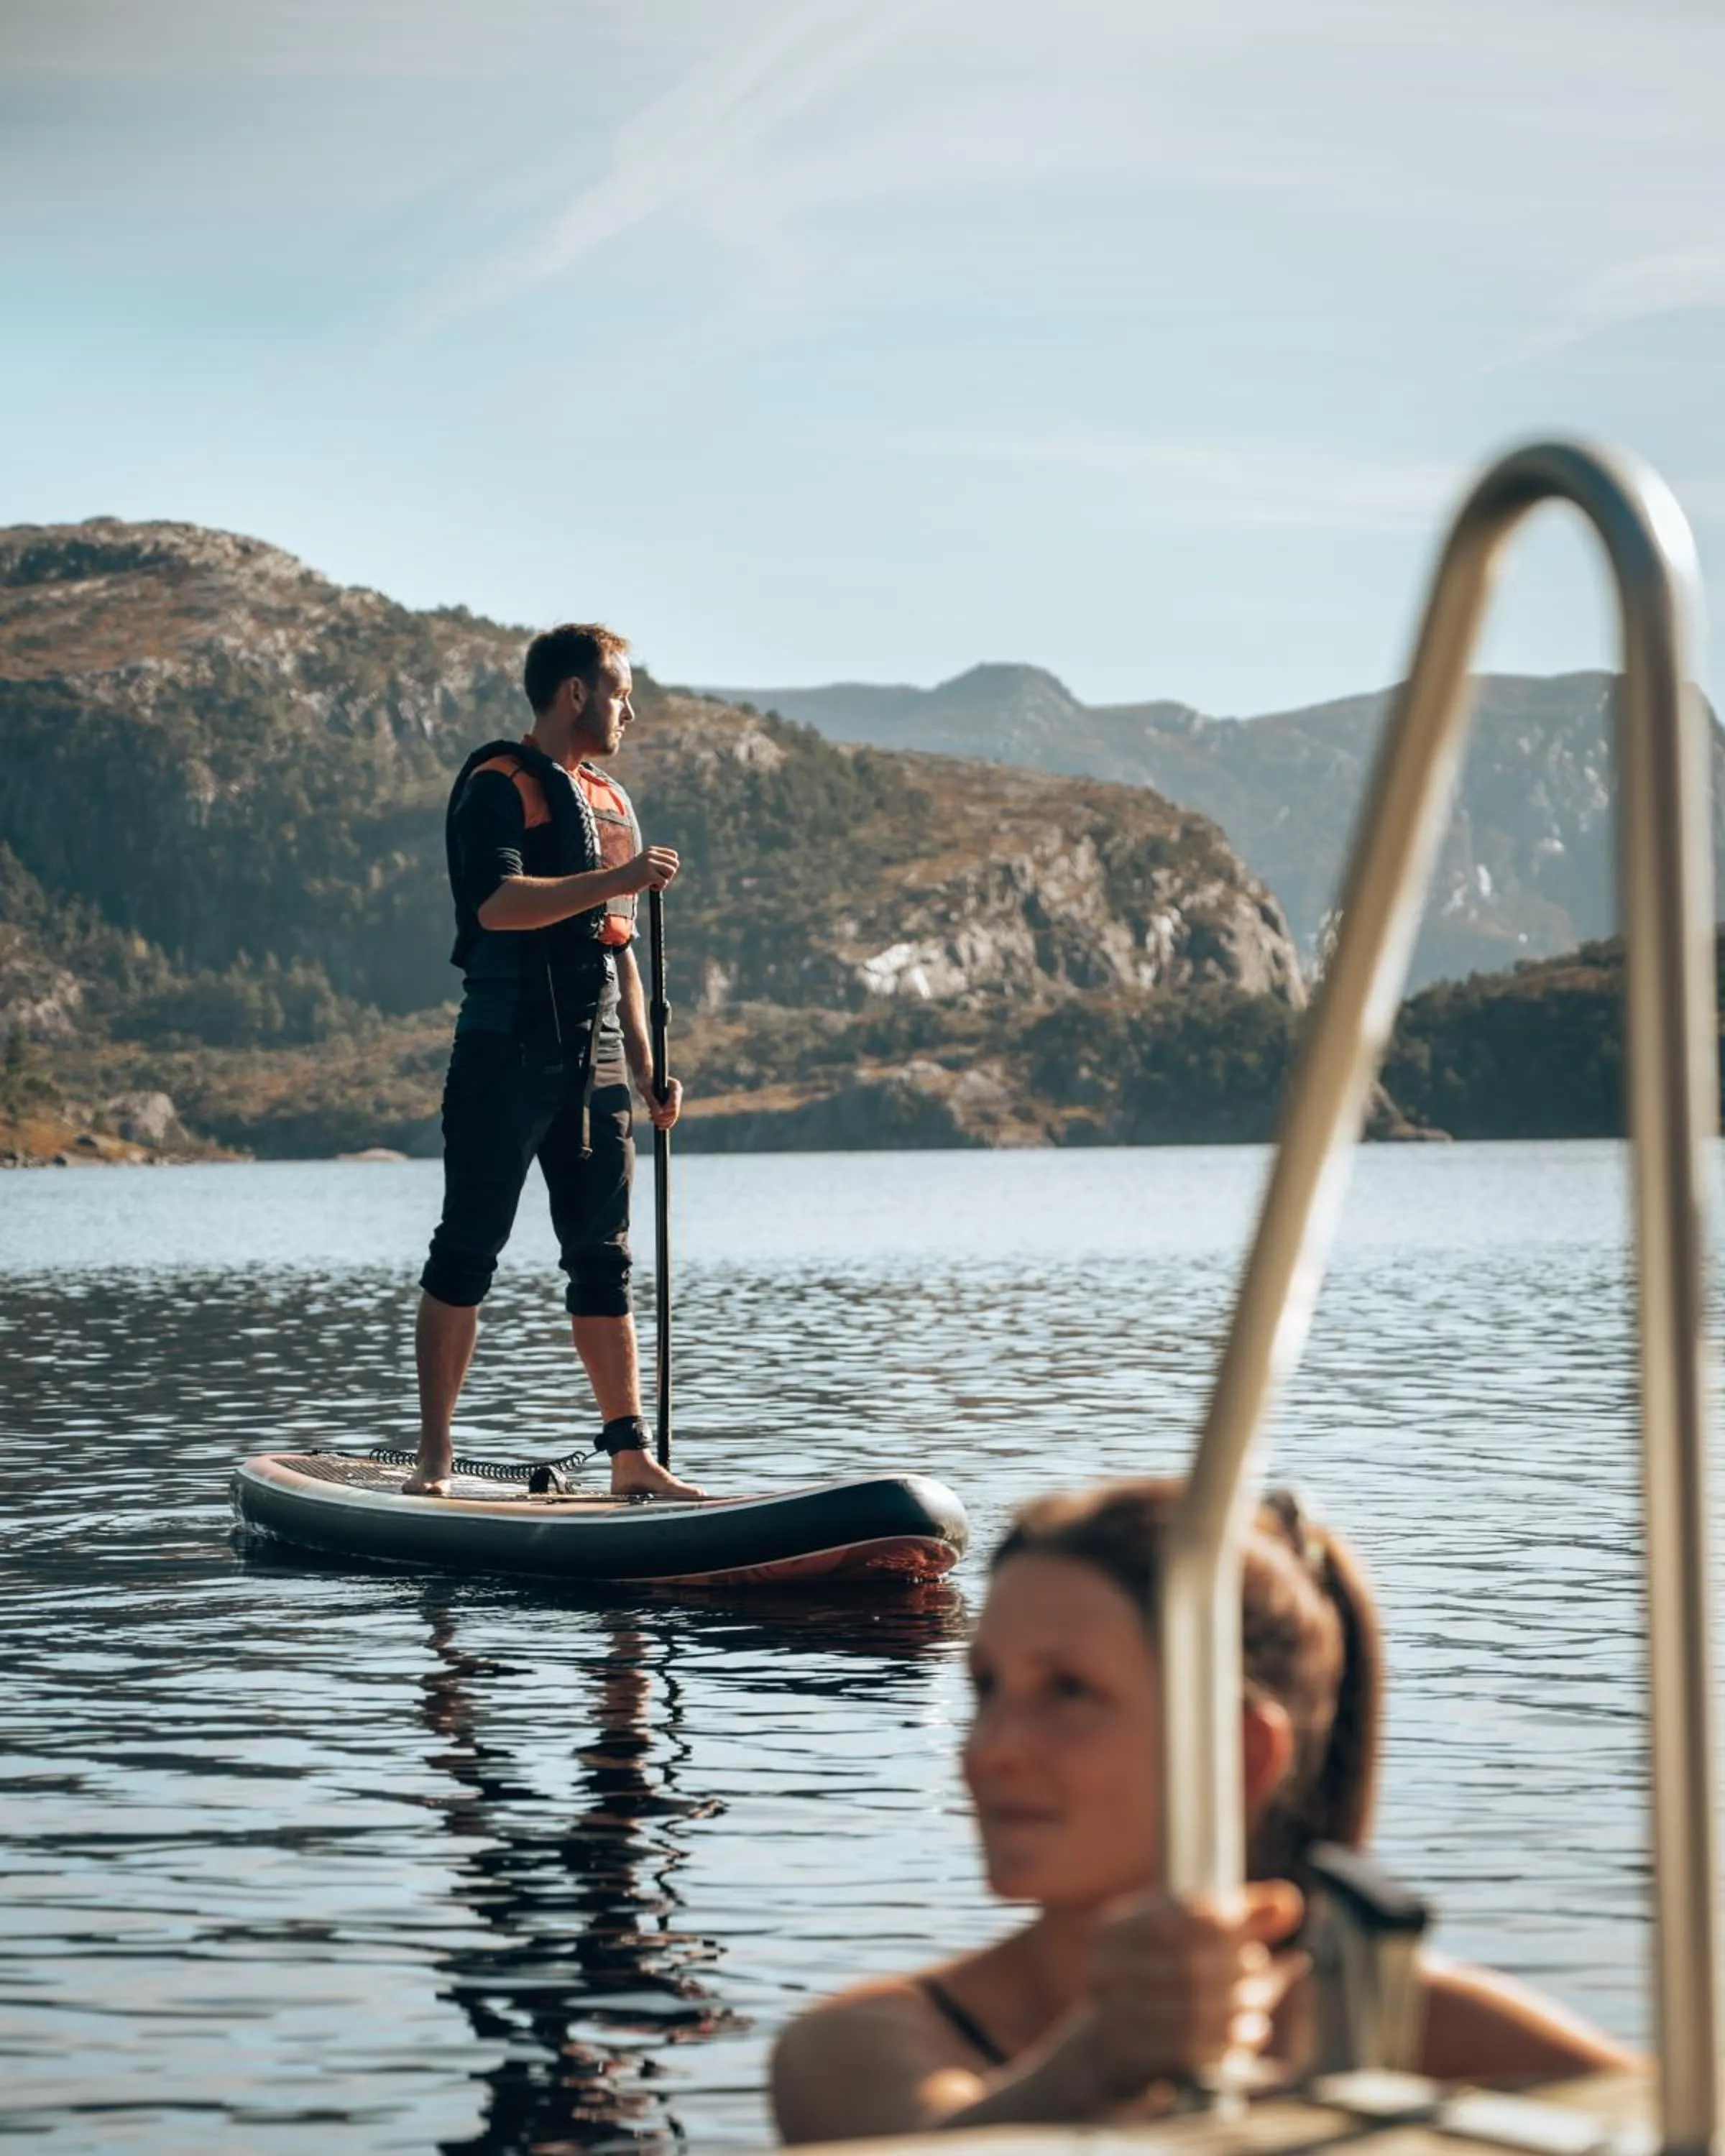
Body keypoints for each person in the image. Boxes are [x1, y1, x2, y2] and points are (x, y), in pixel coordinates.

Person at [773, 1480, 1629, 2140]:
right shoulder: (861, 2049)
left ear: (1239, 1753)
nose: (989, 1748)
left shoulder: (1421, 2031)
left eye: (1067, 1691)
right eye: (988, 1689)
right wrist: (1092, 2068)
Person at [407, 622, 702, 1501]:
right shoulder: (495, 786)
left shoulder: (611, 802)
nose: (630, 711)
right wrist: (618, 881)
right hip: (503, 1050)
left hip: (597, 1065)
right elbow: (496, 906)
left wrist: (647, 1067)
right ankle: (434, 1459)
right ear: (575, 694)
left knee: (602, 1260)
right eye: (620, 693)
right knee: (468, 1251)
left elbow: (620, 950)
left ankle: (630, 1459)